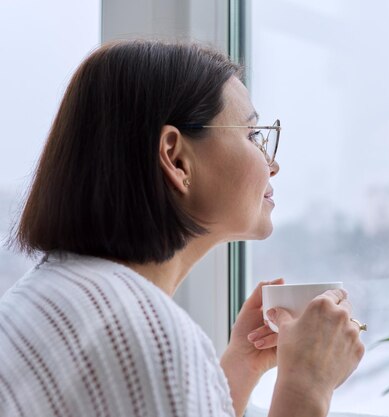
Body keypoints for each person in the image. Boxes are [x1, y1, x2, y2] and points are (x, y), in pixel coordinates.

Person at [0, 39, 365, 417]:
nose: (272, 164)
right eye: (252, 136)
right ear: (176, 158)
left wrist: (240, 365)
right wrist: (307, 385)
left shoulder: (58, 295)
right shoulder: (143, 329)